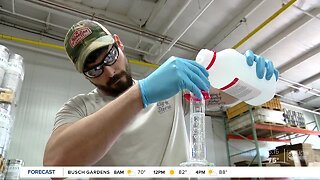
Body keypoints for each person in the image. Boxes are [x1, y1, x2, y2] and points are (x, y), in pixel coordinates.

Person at [43, 20, 278, 167]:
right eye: (94, 69)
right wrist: (140, 94)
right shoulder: (79, 108)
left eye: (110, 56)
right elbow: (55, 163)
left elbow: (224, 95)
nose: (110, 71)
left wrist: (252, 77)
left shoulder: (170, 91)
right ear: (84, 75)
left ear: (119, 43)